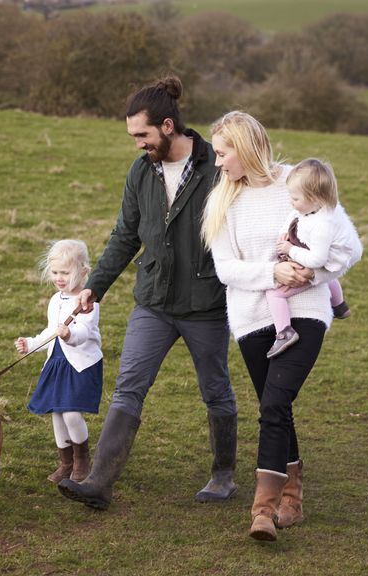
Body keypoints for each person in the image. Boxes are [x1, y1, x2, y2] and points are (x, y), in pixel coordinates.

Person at [56, 76, 238, 510]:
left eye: (142, 135)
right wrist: (95, 286)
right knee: (128, 388)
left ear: (169, 126)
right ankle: (98, 483)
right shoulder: (141, 171)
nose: (137, 144)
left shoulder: (218, 166)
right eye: (133, 135)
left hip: (207, 305)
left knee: (215, 390)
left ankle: (223, 475)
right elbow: (125, 235)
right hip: (153, 303)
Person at [201, 111, 362, 541]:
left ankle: (263, 511)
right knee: (277, 407)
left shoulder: (298, 182)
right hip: (252, 321)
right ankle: (291, 495)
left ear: (246, 147)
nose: (218, 163)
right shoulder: (222, 202)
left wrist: (314, 274)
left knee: (273, 405)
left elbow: (348, 248)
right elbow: (226, 269)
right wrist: (273, 274)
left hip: (305, 313)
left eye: (222, 153)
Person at [14, 239, 103, 485]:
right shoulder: (56, 300)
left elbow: (85, 331)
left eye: (65, 272)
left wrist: (70, 335)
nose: (59, 278)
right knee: (57, 413)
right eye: (55, 272)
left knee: (72, 413)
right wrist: (31, 344)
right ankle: (65, 462)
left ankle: (82, 459)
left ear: (83, 271)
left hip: (80, 364)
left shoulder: (88, 302)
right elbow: (51, 330)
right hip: (57, 362)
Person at [265, 158, 358, 359]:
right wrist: (284, 233)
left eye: (296, 198)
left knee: (274, 294)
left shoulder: (323, 224)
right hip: (331, 259)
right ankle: (339, 305)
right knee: (330, 276)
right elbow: (292, 216)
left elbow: (316, 261)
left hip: (324, 260)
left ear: (315, 198)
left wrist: (290, 249)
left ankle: (285, 332)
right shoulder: (312, 208)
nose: (291, 201)